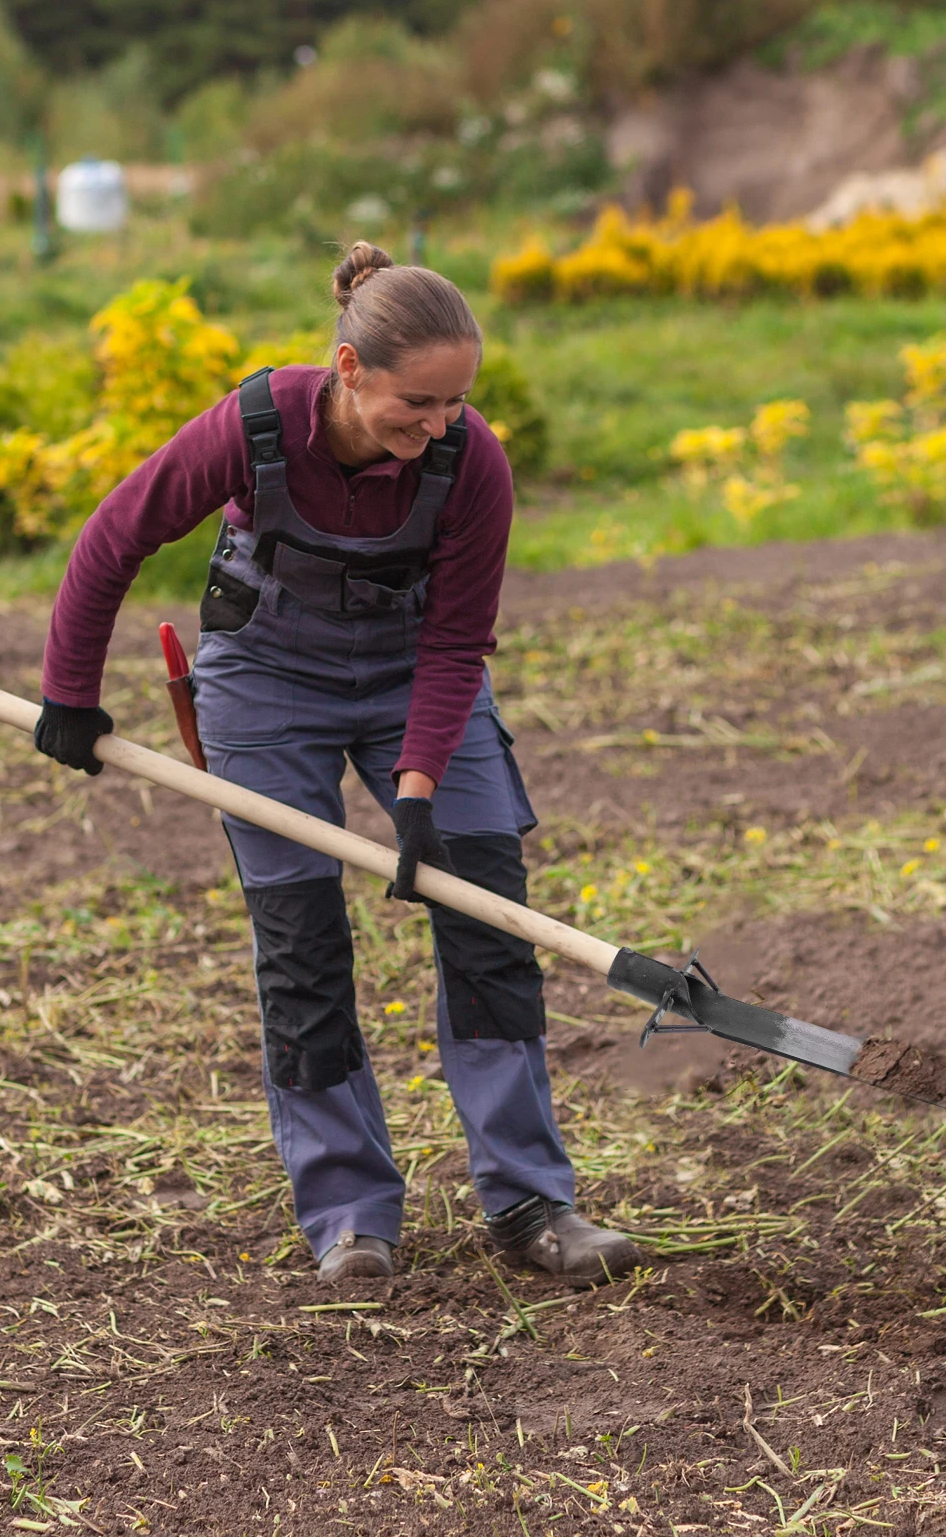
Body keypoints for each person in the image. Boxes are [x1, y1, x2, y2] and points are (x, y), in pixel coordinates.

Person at [33, 243, 639, 1287]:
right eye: (418, 402)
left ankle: (531, 1206)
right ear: (350, 370)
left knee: (491, 925)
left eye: (457, 402)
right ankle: (351, 1217)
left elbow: (457, 642)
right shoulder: (255, 425)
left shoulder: (471, 462)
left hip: (415, 669)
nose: (439, 424)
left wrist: (417, 790)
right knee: (302, 946)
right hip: (266, 674)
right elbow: (113, 538)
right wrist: (69, 694)